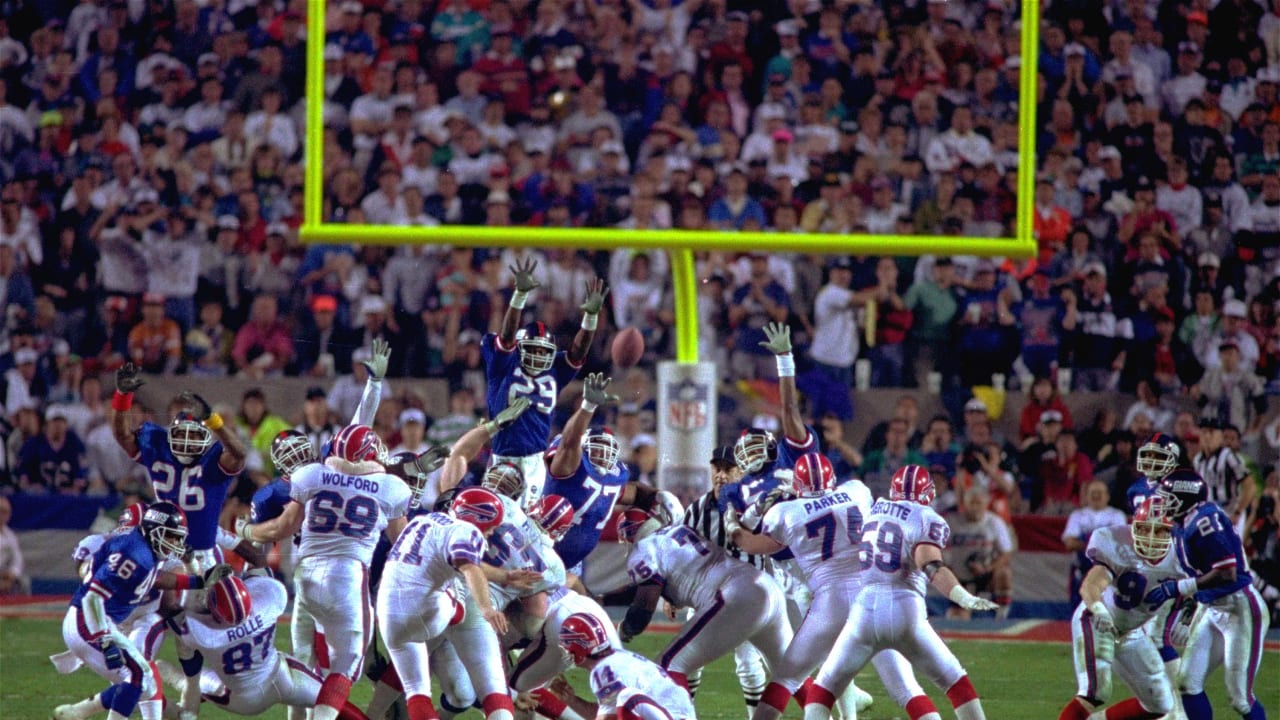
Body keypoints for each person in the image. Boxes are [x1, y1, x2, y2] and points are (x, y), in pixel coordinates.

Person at [728, 455, 926, 720]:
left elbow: (751, 544)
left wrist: (732, 525)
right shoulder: (856, 491)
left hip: (831, 602)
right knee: (905, 689)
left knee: (787, 678)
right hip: (874, 597)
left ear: (798, 484)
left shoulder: (786, 512)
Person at [236, 424, 411, 720]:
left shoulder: (312, 475)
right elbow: (403, 543)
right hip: (348, 577)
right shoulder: (391, 487)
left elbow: (283, 527)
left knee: (307, 658)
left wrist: (246, 529)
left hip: (306, 577)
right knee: (347, 664)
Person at [796, 465, 996, 720]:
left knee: (822, 691)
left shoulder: (874, 510)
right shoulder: (925, 516)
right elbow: (931, 564)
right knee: (956, 685)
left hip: (864, 611)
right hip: (905, 611)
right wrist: (961, 595)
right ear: (927, 493)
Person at [51, 502, 218, 720]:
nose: (175, 544)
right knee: (138, 676)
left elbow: (159, 580)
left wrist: (198, 580)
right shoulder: (134, 554)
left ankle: (82, 711)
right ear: (152, 530)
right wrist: (104, 638)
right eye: (171, 536)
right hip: (90, 622)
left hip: (101, 621)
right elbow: (93, 596)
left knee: (143, 681)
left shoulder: (145, 551)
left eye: (177, 537)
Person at [374, 487, 525, 720]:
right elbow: (469, 566)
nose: (491, 531)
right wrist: (486, 608)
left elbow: (454, 557)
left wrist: (504, 576)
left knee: (417, 692)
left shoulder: (422, 521)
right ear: (478, 518)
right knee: (492, 685)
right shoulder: (465, 529)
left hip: (388, 613)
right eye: (492, 525)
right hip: (429, 610)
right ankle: (457, 610)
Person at [612, 504, 791, 692]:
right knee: (790, 675)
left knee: (668, 666)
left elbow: (641, 613)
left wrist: (623, 631)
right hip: (766, 584)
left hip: (736, 595)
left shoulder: (643, 549)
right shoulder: (679, 529)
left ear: (628, 534)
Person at [484, 257, 606, 510]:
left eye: (543, 352)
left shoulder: (555, 371)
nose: (539, 356)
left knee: (532, 522)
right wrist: (519, 296)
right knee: (493, 514)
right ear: (520, 347)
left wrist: (590, 318)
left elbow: (578, 351)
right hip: (502, 456)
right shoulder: (503, 364)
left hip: (536, 459)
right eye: (533, 350)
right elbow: (506, 337)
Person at [1150, 470, 1270, 719]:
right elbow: (1195, 573)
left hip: (1239, 607)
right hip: (1212, 607)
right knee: (1187, 683)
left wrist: (1180, 589)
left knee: (1240, 698)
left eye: (1169, 496)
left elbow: (1227, 572)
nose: (1163, 502)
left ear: (1185, 497)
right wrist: (1188, 609)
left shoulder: (1204, 521)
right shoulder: (1183, 523)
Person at [169, 574, 370, 719]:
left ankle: (169, 679)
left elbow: (178, 614)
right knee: (334, 703)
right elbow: (257, 575)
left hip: (245, 700)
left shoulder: (201, 633)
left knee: (192, 682)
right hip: (282, 677)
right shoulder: (269, 600)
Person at [1055, 495, 1183, 720]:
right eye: (1144, 529)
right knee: (1096, 691)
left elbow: (1201, 589)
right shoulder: (1116, 543)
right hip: (1099, 621)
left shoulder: (1183, 555)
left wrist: (1187, 617)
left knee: (1160, 703)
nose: (1151, 537)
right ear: (1134, 527)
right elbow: (1091, 585)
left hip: (1133, 632)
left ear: (1171, 530)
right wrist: (1098, 608)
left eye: (1160, 530)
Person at [110, 364, 247, 573]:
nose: (187, 440)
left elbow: (239, 454)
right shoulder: (159, 448)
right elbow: (122, 435)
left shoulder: (213, 461)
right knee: (168, 602)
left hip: (203, 553)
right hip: (165, 551)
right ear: (170, 434)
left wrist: (215, 422)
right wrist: (122, 397)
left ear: (205, 438)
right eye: (181, 434)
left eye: (193, 435)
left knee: (217, 603)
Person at [544, 373, 654, 575]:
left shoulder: (613, 477)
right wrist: (587, 408)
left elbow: (632, 493)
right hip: (543, 553)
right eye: (596, 448)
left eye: (607, 449)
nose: (602, 455)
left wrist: (662, 499)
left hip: (574, 559)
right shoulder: (570, 465)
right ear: (584, 448)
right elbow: (570, 441)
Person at [552, 612, 697, 720]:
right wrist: (571, 700)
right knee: (625, 699)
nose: (565, 652)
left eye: (566, 646)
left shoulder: (603, 670)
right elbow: (608, 714)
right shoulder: (616, 659)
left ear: (579, 648)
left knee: (626, 697)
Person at [946, 486, 1015, 618]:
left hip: (986, 574)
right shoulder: (951, 522)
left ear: (986, 504)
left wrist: (988, 568)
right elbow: (937, 548)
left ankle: (1001, 616)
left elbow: (1006, 553)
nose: (975, 507)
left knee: (1004, 573)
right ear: (964, 504)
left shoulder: (994, 522)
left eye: (979, 503)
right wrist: (948, 569)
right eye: (972, 503)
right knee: (957, 620)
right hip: (959, 576)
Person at [1062, 481, 1128, 607]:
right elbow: (1069, 543)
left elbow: (1121, 543)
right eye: (1093, 493)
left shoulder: (1117, 515)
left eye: (1100, 493)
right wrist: (1102, 545)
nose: (1096, 496)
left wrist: (1085, 543)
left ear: (1107, 496)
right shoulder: (1077, 516)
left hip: (1110, 571)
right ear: (1086, 496)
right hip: (1083, 570)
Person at [0, 496, 25, 595]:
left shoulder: (10, 535)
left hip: (4, 575)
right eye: (1, 511)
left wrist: (12, 574)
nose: (2, 515)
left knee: (23, 583)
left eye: (6, 512)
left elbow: (17, 559)